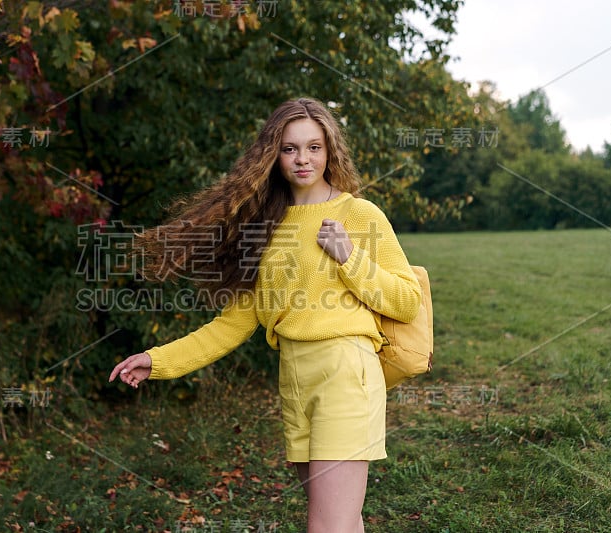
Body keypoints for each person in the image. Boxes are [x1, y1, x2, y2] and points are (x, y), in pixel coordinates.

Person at [109, 97, 421, 532]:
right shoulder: (265, 226)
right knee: (343, 523)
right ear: (272, 155)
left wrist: (350, 258)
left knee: (328, 527)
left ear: (331, 150)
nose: (303, 159)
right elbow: (232, 324)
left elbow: (407, 300)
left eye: (314, 147)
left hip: (346, 373)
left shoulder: (358, 214)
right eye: (290, 148)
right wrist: (156, 360)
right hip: (294, 381)